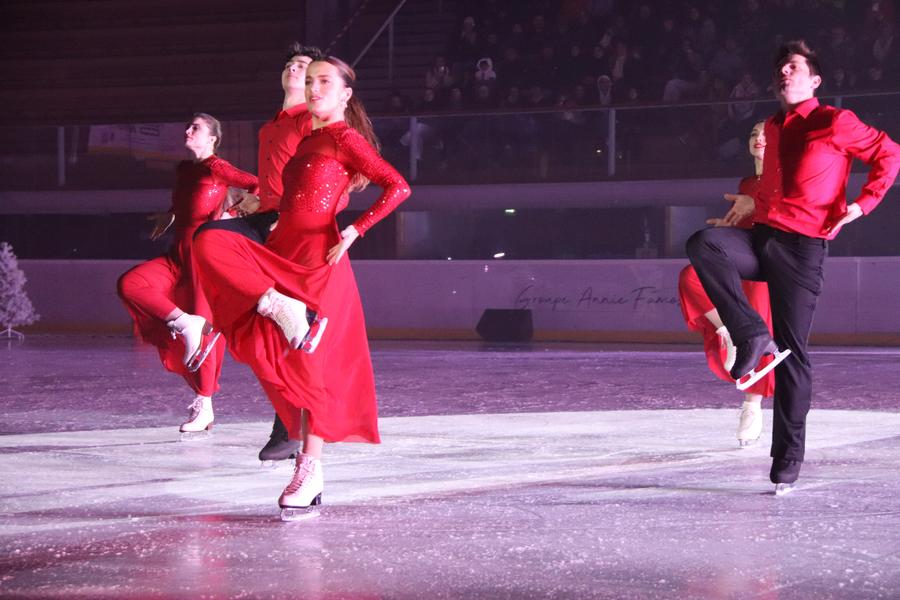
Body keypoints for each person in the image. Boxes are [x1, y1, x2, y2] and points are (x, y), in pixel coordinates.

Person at [193, 56, 411, 519]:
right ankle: (275, 304)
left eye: (324, 82)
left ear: (346, 94)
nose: (314, 89)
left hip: (318, 258)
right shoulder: (310, 138)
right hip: (284, 246)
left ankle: (310, 468)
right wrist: (255, 205)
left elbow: (396, 186)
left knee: (313, 368)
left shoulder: (344, 138)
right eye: (310, 82)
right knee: (208, 241)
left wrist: (356, 230)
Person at [686, 41, 900, 495]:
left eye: (795, 66)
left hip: (803, 250)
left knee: (794, 353)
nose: (785, 72)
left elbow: (889, 153)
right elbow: (776, 183)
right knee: (706, 243)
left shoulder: (835, 121)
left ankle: (787, 459)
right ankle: (748, 331)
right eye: (780, 67)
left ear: (814, 80)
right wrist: (754, 198)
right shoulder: (774, 127)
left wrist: (862, 205)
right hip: (763, 238)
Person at [194, 42, 320, 462]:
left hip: (291, 227)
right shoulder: (273, 126)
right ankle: (288, 420)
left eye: (302, 65)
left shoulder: (313, 121)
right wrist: (256, 199)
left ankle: (290, 426)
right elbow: (274, 178)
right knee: (209, 239)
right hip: (264, 216)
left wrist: (289, 213)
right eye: (289, 63)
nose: (293, 67)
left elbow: (324, 180)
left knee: (279, 338)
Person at [117, 113, 258, 437]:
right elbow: (184, 207)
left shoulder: (217, 167)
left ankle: (204, 404)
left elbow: (257, 187)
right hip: (177, 255)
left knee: (206, 338)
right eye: (187, 126)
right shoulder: (184, 170)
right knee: (131, 283)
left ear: (212, 139)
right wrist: (168, 217)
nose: (187, 130)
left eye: (195, 127)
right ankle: (184, 322)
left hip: (204, 260)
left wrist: (230, 214)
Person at [679, 121, 773, 447]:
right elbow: (744, 221)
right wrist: (727, 227)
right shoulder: (747, 182)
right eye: (752, 134)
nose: (758, 139)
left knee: (760, 310)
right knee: (692, 276)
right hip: (743, 256)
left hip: (773, 261)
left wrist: (755, 206)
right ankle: (730, 329)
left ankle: (753, 404)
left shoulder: (785, 177)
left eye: (766, 134)